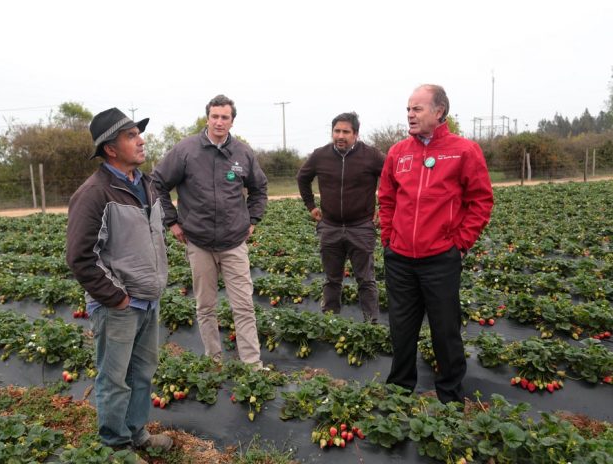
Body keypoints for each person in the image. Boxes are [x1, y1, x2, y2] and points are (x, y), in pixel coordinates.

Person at [66, 108, 173, 457]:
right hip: (119, 307)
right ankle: (115, 445)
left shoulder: (146, 184)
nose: (140, 140)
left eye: (137, 133)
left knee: (142, 375)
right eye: (131, 135)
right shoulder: (94, 193)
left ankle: (136, 433)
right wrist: (116, 298)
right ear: (110, 149)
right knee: (114, 379)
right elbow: (81, 256)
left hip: (149, 299)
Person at [378, 85, 494, 404]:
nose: (410, 115)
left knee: (445, 332)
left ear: (439, 111)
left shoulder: (464, 150)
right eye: (408, 109)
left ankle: (450, 396)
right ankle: (399, 391)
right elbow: (386, 199)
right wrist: (388, 238)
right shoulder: (398, 152)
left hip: (440, 259)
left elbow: (481, 201)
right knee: (401, 330)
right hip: (400, 258)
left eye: (417, 109)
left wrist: (460, 244)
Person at [152, 94, 268, 369]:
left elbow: (259, 188)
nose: (219, 121)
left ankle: (252, 364)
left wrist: (253, 218)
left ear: (232, 121)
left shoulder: (243, 153)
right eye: (214, 116)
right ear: (208, 118)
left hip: (233, 242)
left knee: (243, 306)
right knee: (205, 306)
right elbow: (157, 183)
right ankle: (213, 362)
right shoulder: (186, 150)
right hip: (199, 241)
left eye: (224, 117)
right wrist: (172, 221)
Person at [296, 112, 384, 322]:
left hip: (361, 226)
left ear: (356, 134)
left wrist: (384, 207)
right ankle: (330, 320)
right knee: (332, 278)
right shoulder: (320, 155)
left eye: (346, 131)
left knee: (366, 279)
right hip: (330, 226)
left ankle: (371, 322)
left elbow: (392, 178)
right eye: (337, 131)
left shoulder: (371, 155)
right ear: (332, 132)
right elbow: (302, 178)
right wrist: (310, 205)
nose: (340, 136)